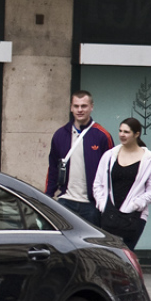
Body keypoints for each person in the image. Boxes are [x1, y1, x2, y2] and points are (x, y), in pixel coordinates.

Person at [45, 90, 113, 225]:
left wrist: (107, 203)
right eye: (76, 106)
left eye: (84, 106)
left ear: (91, 107)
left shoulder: (102, 136)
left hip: (92, 204)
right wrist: (48, 196)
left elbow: (111, 171)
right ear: (71, 107)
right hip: (65, 201)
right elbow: (53, 168)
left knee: (92, 244)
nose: (80, 110)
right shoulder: (60, 135)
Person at [93, 117, 151, 250]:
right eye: (120, 131)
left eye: (126, 132)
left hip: (133, 217)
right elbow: (98, 183)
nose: (122, 135)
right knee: (108, 255)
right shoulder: (110, 155)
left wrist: (136, 204)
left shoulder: (148, 159)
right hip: (110, 215)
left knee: (126, 255)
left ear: (136, 134)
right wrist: (102, 204)